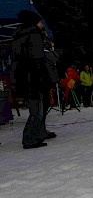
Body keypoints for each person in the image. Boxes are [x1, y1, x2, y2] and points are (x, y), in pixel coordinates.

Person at [11, 10, 53, 149]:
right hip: (33, 78)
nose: (42, 25)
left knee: (37, 109)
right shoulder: (33, 35)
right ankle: (29, 139)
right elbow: (38, 59)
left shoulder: (20, 35)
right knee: (37, 111)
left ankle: (35, 135)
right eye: (40, 22)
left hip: (26, 77)